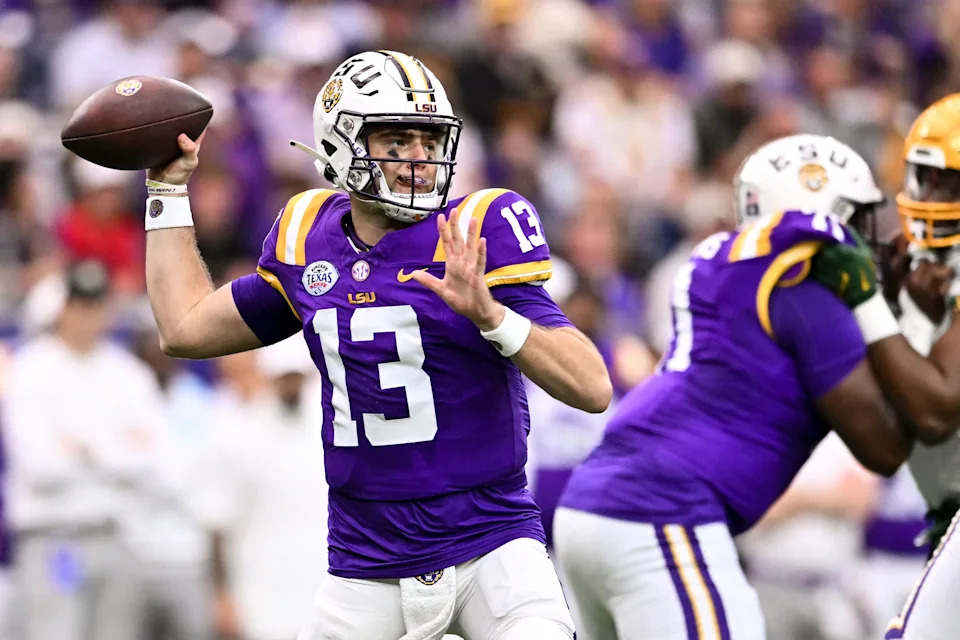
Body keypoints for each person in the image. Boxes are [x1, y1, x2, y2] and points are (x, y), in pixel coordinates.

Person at [140, 50, 611, 640]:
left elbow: (592, 387)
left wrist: (491, 315)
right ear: (341, 145)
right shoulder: (306, 235)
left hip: (490, 544)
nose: (420, 158)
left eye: (428, 139)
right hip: (367, 566)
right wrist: (167, 189)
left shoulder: (475, 231)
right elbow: (184, 328)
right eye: (397, 140)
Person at [552, 133, 913, 640]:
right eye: (853, 215)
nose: (864, 237)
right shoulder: (800, 293)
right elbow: (885, 446)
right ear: (819, 211)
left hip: (590, 508)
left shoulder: (718, 265)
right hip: (661, 514)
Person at [812, 92, 960, 640]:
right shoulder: (932, 261)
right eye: (928, 178)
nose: (935, 197)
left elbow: (938, 408)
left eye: (953, 183)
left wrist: (869, 302)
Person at [3, 260, 164, 640]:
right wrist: (117, 447)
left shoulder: (128, 373)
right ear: (64, 308)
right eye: (79, 304)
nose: (87, 315)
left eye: (96, 304)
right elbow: (43, 468)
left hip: (118, 534)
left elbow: (153, 462)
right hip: (56, 539)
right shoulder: (31, 369)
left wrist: (84, 446)